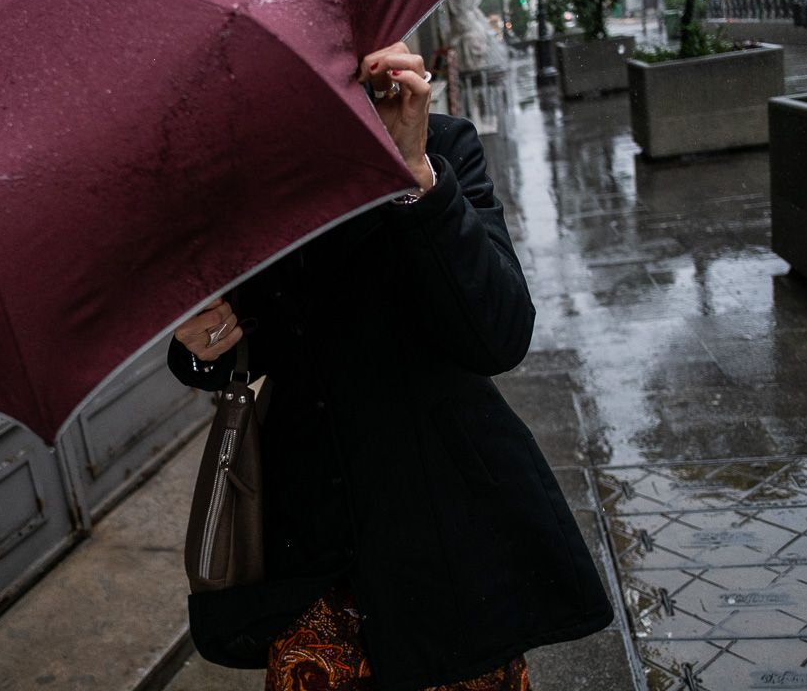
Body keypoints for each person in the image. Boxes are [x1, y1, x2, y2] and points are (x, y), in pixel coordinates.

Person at [168, 42, 613, 690]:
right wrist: (199, 347)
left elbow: (500, 334)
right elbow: (245, 339)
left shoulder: (444, 146)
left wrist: (412, 172)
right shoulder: (252, 181)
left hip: (450, 534)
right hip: (312, 549)